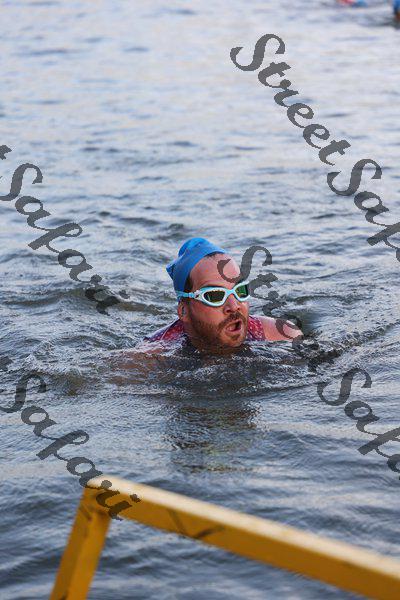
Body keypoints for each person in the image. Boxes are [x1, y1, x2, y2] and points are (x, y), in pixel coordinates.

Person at [143, 238, 302, 354]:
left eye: (240, 290)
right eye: (215, 295)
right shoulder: (154, 355)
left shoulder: (281, 335)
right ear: (184, 311)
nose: (234, 306)